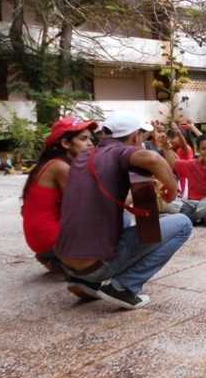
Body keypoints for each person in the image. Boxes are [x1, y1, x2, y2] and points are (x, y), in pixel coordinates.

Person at [55, 111, 192, 309]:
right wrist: (171, 191)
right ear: (135, 136)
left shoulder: (84, 156)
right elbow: (151, 159)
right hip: (95, 265)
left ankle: (87, 282)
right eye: (142, 137)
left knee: (126, 215)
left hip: (67, 264)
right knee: (183, 224)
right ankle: (124, 287)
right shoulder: (119, 152)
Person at [21, 117, 97, 272]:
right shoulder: (61, 167)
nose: (90, 143)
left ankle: (54, 259)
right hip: (51, 239)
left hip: (40, 240)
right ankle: (75, 265)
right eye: (83, 139)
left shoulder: (52, 163)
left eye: (90, 138)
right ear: (66, 143)